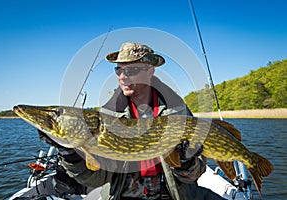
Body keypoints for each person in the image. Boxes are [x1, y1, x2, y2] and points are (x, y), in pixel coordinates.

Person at [41, 42, 225, 199]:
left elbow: (195, 174)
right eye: (119, 70)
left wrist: (186, 162)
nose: (122, 76)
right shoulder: (108, 116)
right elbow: (96, 178)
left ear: (150, 71)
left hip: (173, 193)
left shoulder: (178, 111)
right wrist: (70, 154)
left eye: (132, 70)